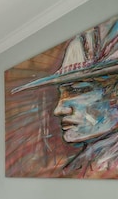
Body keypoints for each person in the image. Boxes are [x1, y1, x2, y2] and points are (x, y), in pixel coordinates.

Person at [12, 17, 118, 178]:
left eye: (76, 90)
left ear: (115, 95)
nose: (58, 109)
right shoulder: (82, 164)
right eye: (61, 94)